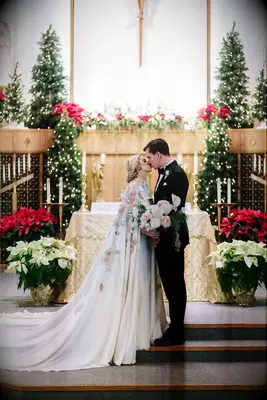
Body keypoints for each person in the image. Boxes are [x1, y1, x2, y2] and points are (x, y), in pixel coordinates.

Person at [0, 155, 167, 372]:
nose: (147, 161)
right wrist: (150, 225)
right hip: (132, 243)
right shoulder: (135, 187)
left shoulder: (144, 186)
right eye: (143, 160)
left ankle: (140, 324)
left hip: (141, 242)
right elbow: (130, 219)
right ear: (136, 167)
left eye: (147, 159)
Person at [144, 139, 189, 346]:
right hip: (164, 237)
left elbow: (174, 209)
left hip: (173, 238)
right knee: (170, 284)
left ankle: (177, 332)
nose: (149, 161)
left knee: (175, 284)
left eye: (150, 156)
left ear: (159, 154)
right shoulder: (163, 173)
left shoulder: (177, 174)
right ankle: (175, 328)